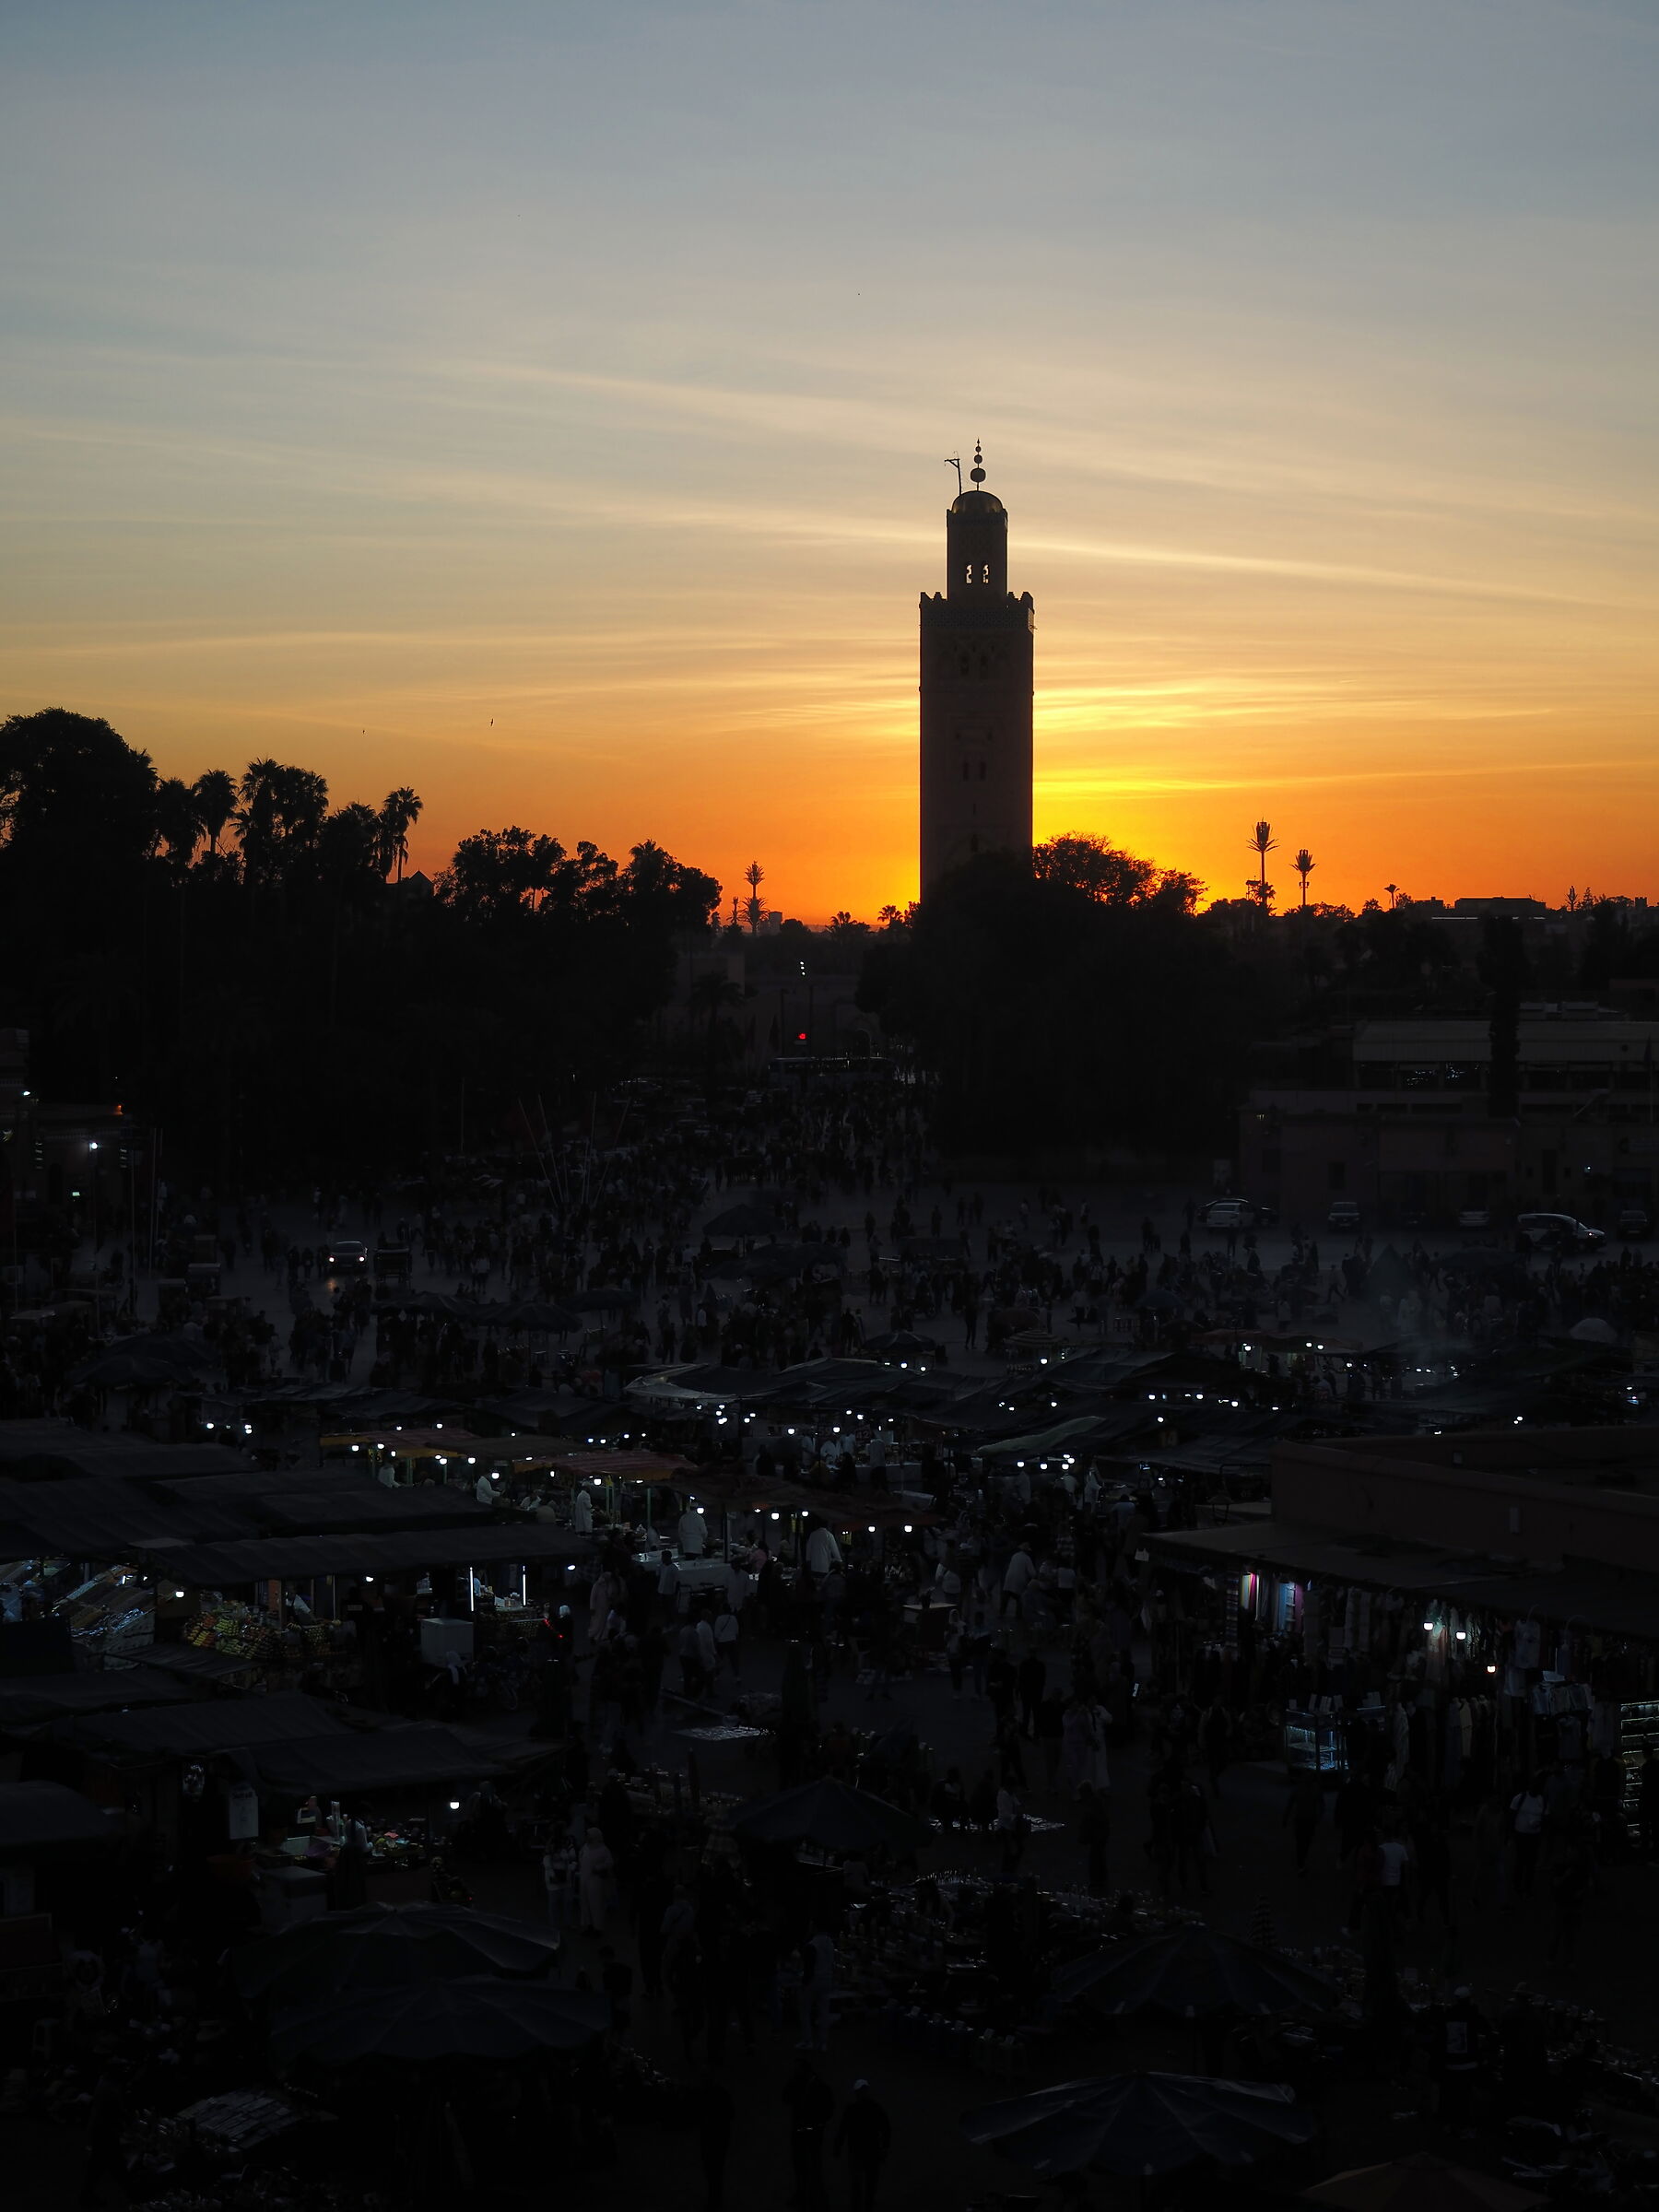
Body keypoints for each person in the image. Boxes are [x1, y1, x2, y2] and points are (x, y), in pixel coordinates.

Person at [783, 2052, 835, 2212]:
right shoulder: (799, 2084)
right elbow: (785, 2097)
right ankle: (803, 2195)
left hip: (811, 2134)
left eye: (797, 2070)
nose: (794, 2073)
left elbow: (828, 2110)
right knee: (800, 2166)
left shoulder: (820, 2087)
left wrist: (816, 2125)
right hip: (799, 2133)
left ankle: (816, 2201)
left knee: (813, 2168)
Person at [833, 2078, 893, 2212]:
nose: (863, 2093)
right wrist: (885, 2147)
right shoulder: (872, 2108)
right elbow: (886, 2128)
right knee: (862, 2183)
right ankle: (863, 2205)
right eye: (861, 2090)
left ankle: (864, 2205)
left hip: (866, 2152)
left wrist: (885, 2147)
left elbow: (886, 2128)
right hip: (864, 2152)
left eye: (864, 2090)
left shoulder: (856, 2109)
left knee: (864, 2182)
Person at [698, 2069, 736, 2212]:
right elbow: (732, 2113)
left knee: (712, 2170)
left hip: (712, 2138)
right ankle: (715, 2197)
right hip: (720, 2138)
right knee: (716, 2171)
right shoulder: (722, 2093)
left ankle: (714, 2198)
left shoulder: (705, 2095)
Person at [799, 1924, 836, 2052]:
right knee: (824, 2012)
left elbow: (809, 1968)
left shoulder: (812, 1945)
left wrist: (804, 1982)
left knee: (805, 2011)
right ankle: (823, 2042)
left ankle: (807, 2040)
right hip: (827, 1979)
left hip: (813, 1980)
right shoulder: (830, 1943)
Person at [1510, 1778, 1547, 1897]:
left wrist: (1540, 1823)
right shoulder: (1519, 1798)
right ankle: (1517, 1885)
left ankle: (1527, 1886)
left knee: (1530, 1862)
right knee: (1521, 1860)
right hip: (1521, 1834)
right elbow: (1512, 1814)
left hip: (1534, 1835)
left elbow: (1546, 1816)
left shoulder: (1542, 1800)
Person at [1283, 1769, 1324, 1874]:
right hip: (1307, 1820)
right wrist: (1318, 1817)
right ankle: (1301, 1862)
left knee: (1302, 1842)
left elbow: (1290, 1804)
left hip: (1303, 1819)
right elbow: (1321, 1805)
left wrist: (1285, 1818)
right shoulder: (1315, 1789)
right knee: (1304, 1842)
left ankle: (1301, 1862)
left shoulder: (1299, 1789)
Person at [578, 1825, 615, 1930]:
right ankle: (587, 1925)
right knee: (584, 1903)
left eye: (589, 1835)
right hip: (584, 1879)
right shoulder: (585, 1846)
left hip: (595, 1881)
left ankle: (597, 1927)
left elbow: (609, 1862)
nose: (587, 1837)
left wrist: (598, 1868)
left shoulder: (603, 1849)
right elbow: (581, 1855)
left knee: (596, 1904)